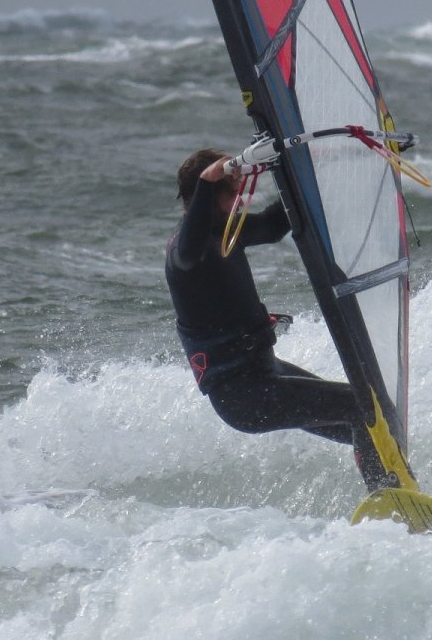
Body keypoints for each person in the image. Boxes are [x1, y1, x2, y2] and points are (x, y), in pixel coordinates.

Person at [165, 148, 390, 489]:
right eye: (233, 191)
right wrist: (211, 178)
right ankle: (385, 491)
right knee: (364, 406)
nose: (241, 199)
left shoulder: (224, 233)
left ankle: (394, 486)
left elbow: (273, 226)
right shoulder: (187, 250)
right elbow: (191, 248)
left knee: (373, 419)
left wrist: (303, 171)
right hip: (243, 395)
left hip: (266, 374)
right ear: (208, 194)